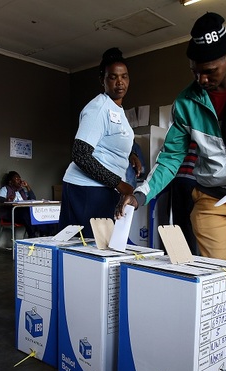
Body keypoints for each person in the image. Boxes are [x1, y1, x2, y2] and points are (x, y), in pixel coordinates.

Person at [116, 12, 226, 371]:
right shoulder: (186, 102)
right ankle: (220, 346)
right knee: (216, 272)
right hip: (210, 197)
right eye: (195, 70)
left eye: (208, 70)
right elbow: (171, 158)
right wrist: (142, 192)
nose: (201, 78)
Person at [58, 47, 137, 238]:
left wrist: (131, 155)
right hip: (85, 188)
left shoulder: (117, 109)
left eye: (124, 76)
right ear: (102, 79)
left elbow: (110, 140)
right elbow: (80, 154)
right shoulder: (99, 108)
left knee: (107, 246)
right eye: (113, 77)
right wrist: (119, 183)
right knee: (89, 249)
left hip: (103, 188)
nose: (120, 82)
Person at [0, 171, 38, 238]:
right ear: (10, 182)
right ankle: (32, 236)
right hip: (10, 213)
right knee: (26, 214)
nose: (20, 181)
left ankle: (45, 234)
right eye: (17, 179)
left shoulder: (22, 190)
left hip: (23, 213)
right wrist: (7, 200)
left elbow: (33, 199)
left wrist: (27, 186)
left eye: (20, 179)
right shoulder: (5, 189)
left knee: (37, 213)